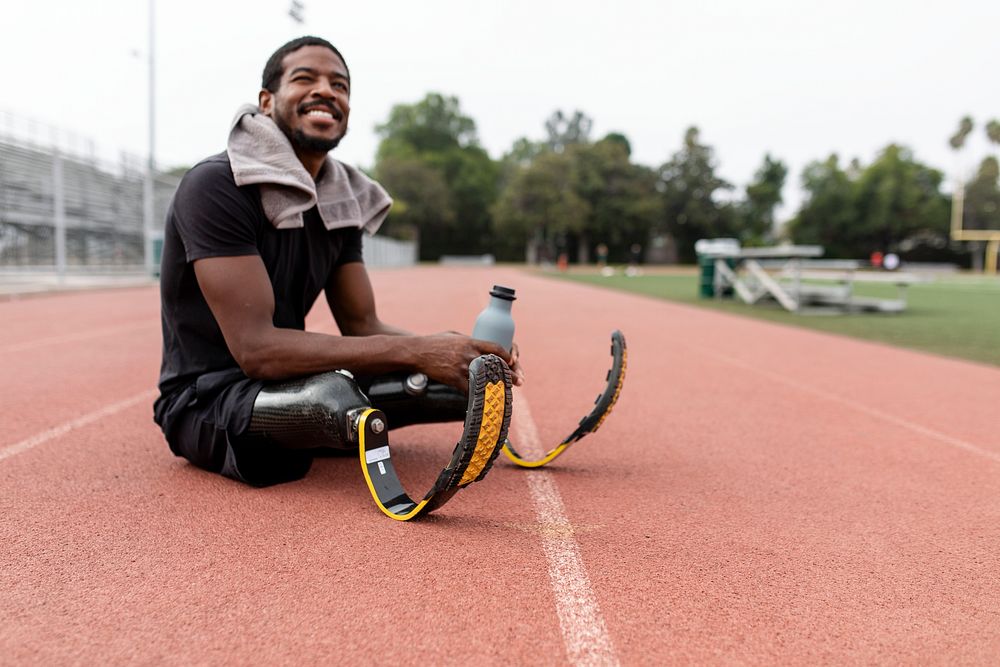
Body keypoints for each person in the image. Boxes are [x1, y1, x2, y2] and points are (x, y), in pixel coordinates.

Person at [153, 36, 522, 487]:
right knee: (331, 395)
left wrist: (457, 352)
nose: (327, 91)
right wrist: (419, 351)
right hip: (205, 398)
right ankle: (343, 420)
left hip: (285, 378)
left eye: (340, 85)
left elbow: (363, 326)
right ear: (266, 101)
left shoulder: (340, 200)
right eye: (305, 78)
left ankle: (359, 413)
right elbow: (257, 350)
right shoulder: (216, 186)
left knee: (454, 385)